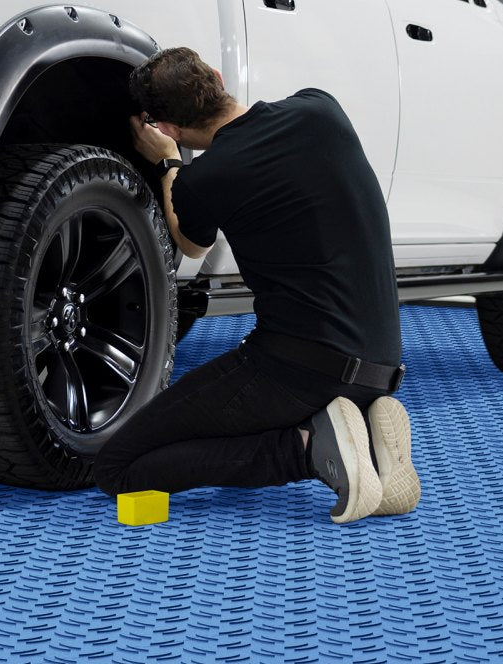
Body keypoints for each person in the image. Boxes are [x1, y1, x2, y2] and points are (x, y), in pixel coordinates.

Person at [93, 47, 421, 523]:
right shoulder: (321, 109)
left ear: (166, 128)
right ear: (217, 77)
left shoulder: (205, 177)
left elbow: (191, 243)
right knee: (221, 419)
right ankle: (365, 439)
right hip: (382, 363)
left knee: (117, 468)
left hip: (298, 370)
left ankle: (309, 450)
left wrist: (168, 163)